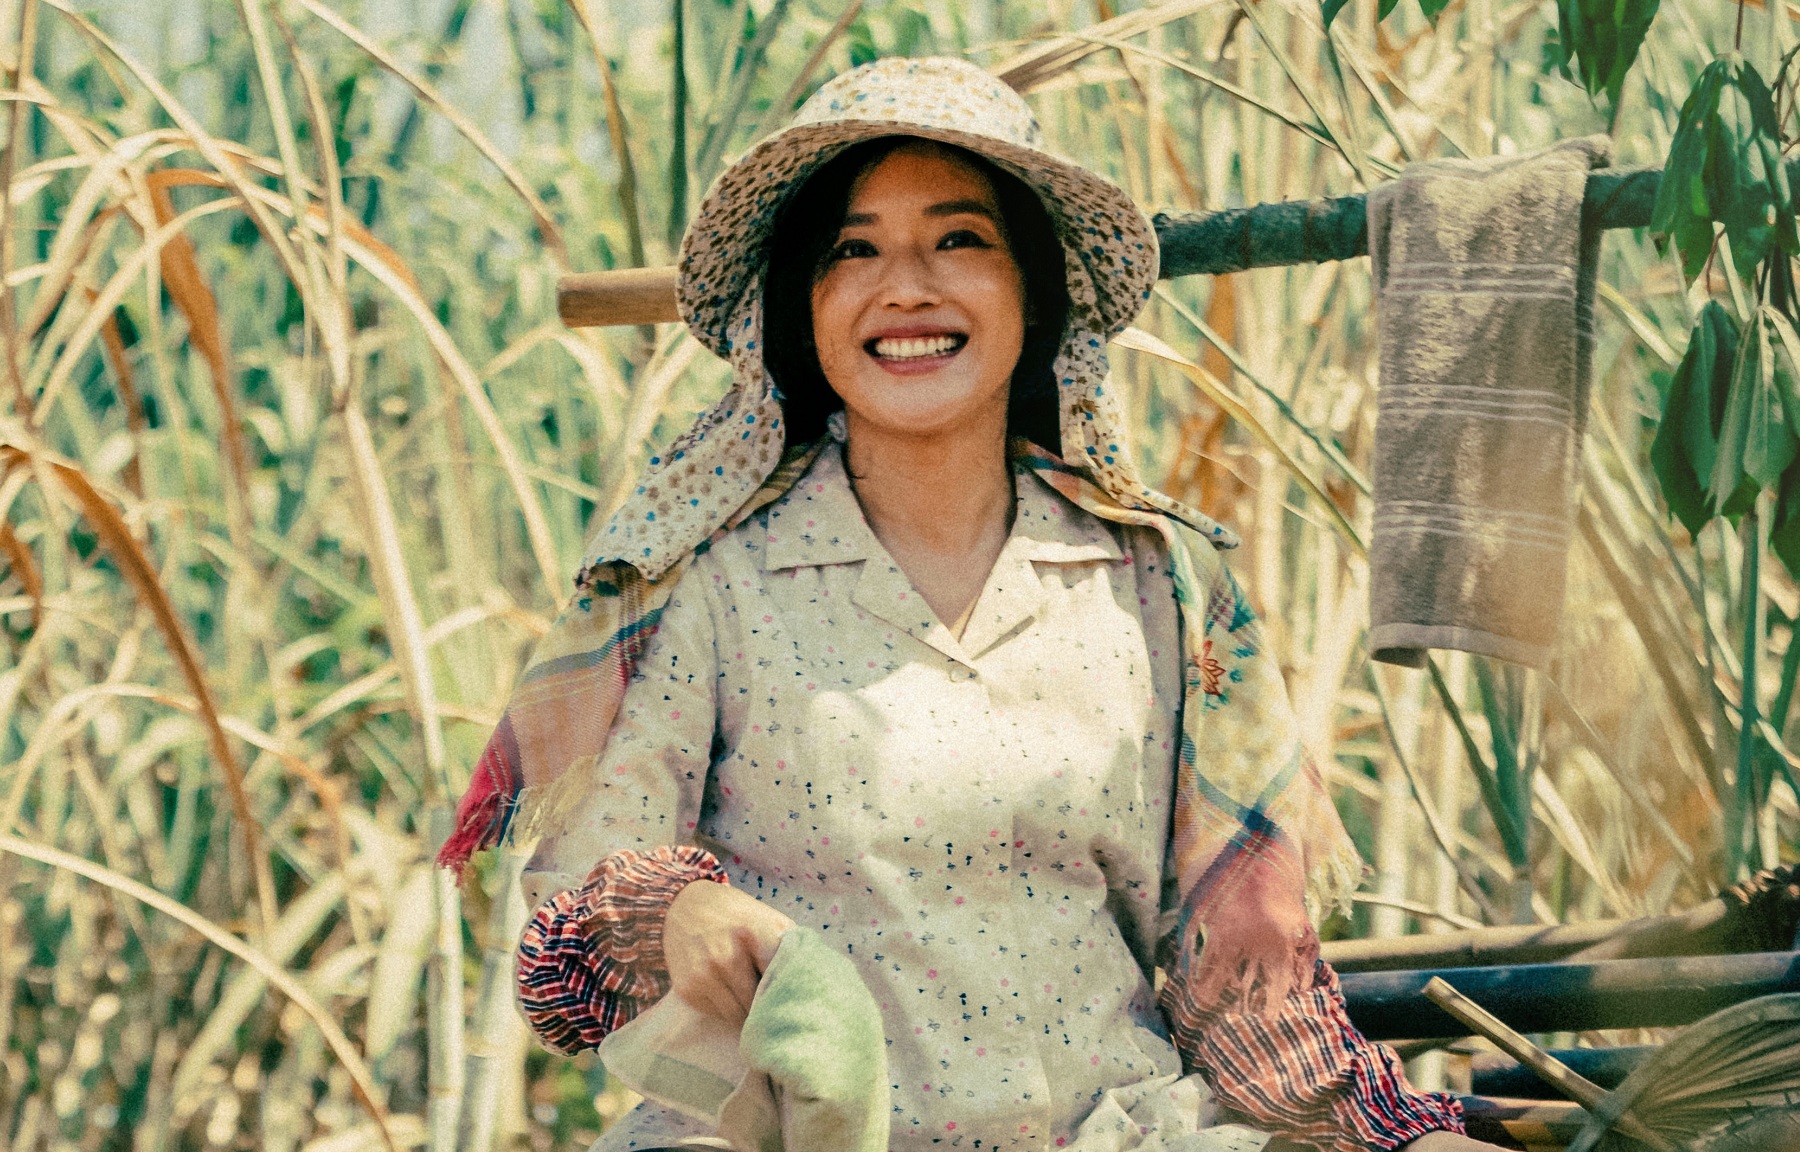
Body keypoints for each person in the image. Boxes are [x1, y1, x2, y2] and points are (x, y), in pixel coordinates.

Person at [441, 57, 1503, 1152]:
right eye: (852, 251)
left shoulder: (1160, 584)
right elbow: (570, 934)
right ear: (802, 309)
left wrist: (1406, 1138)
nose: (905, 287)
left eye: (959, 240)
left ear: (1033, 293)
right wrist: (675, 915)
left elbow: (1245, 976)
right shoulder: (713, 583)